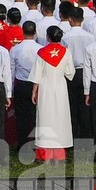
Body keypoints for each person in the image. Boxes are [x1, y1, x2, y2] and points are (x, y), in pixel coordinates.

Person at [31, 26, 76, 162]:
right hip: (60, 87)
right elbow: (70, 73)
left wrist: (34, 91)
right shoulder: (66, 52)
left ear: (48, 37)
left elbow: (37, 75)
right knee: (60, 118)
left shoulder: (42, 52)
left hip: (45, 87)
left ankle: (44, 154)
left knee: (45, 118)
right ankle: (60, 153)